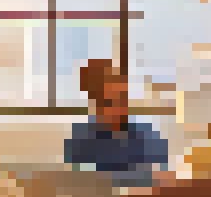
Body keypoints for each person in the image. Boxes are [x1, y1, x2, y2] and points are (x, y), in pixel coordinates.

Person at [62, 59, 168, 189]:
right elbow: (82, 185)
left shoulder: (146, 135)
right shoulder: (80, 140)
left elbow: (164, 178)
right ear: (95, 101)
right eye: (109, 102)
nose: (120, 108)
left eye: (122, 98)